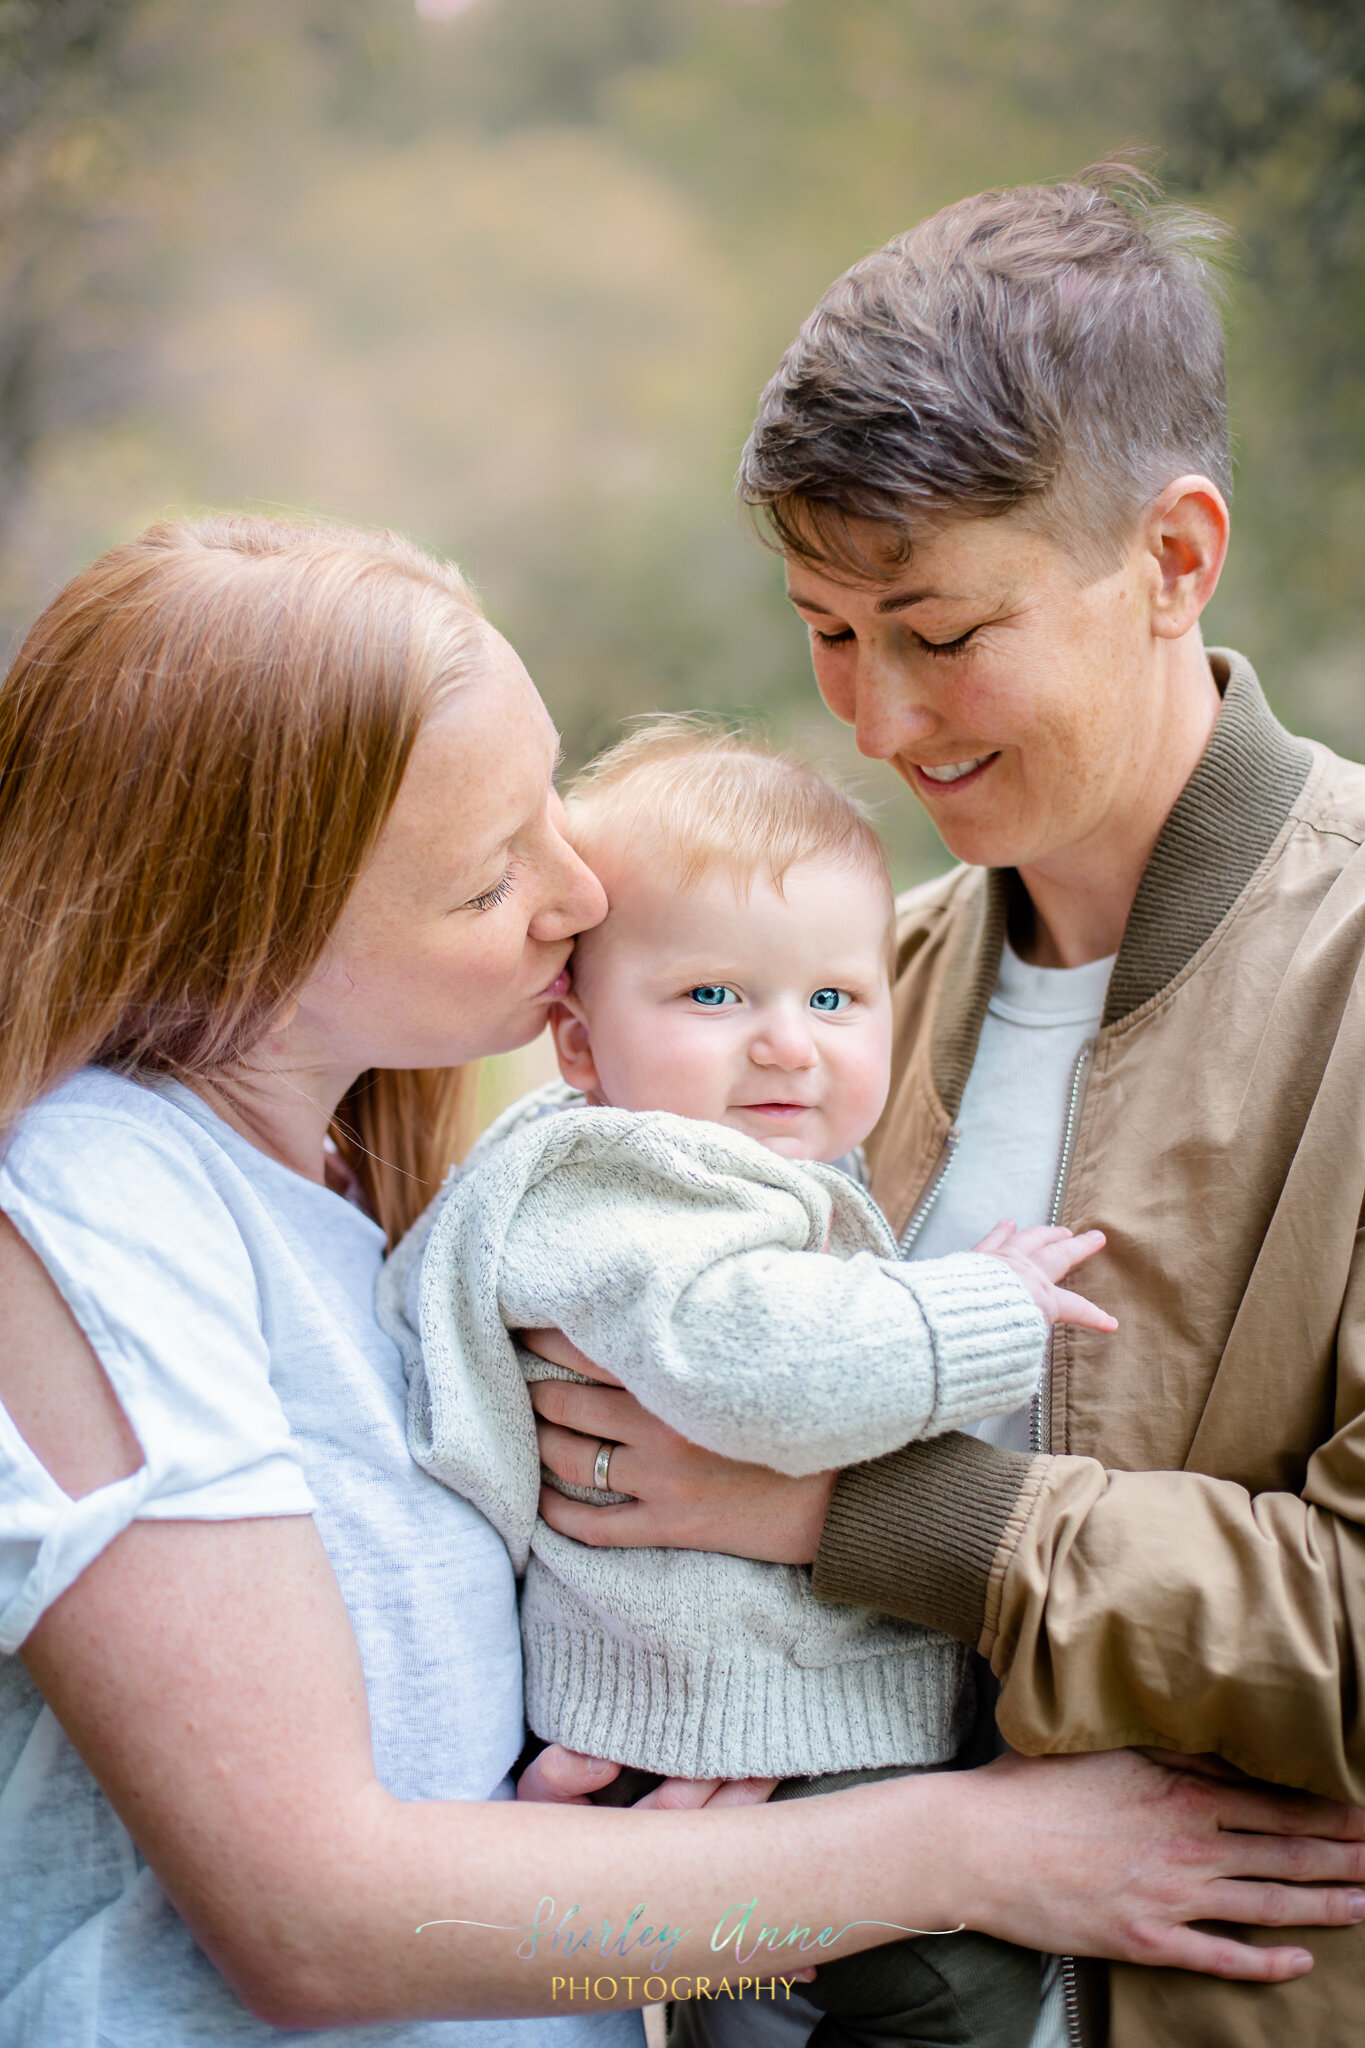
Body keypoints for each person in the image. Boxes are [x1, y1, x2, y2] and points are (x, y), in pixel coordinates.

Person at [4, 515, 1359, 2048]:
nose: (580, 894)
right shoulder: (97, 1203)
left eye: (548, 811)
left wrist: (624, 1788)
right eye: (484, 881)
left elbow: (402, 1751)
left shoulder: (370, 1190)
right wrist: (971, 1855)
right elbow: (315, 1936)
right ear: (249, 926)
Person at [524, 166, 1365, 2048]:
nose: (877, 724)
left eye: (937, 630)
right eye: (829, 631)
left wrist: (853, 1501)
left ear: (1174, 558)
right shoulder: (842, 1008)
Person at [383, 719, 1118, 2048]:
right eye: (712, 997)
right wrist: (985, 1308)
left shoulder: (715, 1165)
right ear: (579, 1042)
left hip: (732, 1715)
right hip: (748, 1720)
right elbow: (761, 1367)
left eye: (832, 1000)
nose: (785, 1045)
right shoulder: (621, 1181)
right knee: (956, 1991)